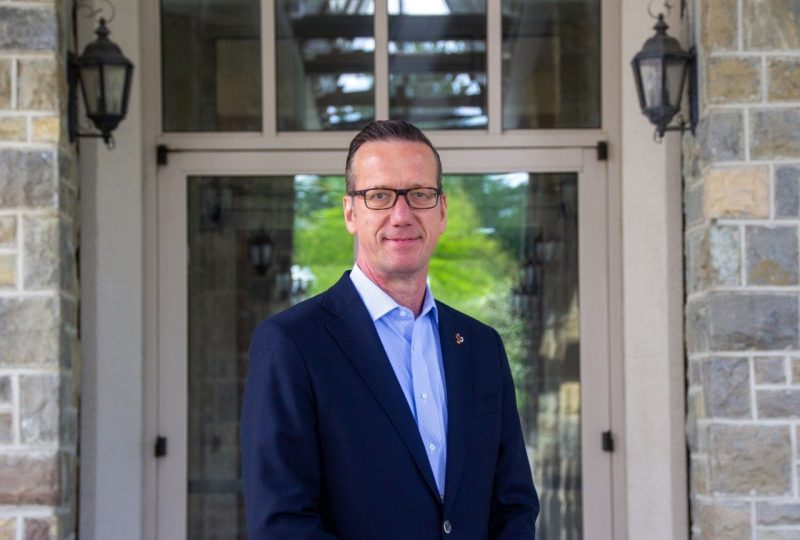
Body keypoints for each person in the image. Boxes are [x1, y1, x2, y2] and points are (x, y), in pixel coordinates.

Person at [241, 120, 539, 539]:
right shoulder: (292, 345)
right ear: (351, 212)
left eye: (420, 194)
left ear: (442, 210)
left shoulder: (480, 346)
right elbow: (282, 522)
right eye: (379, 196)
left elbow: (514, 505)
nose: (402, 215)